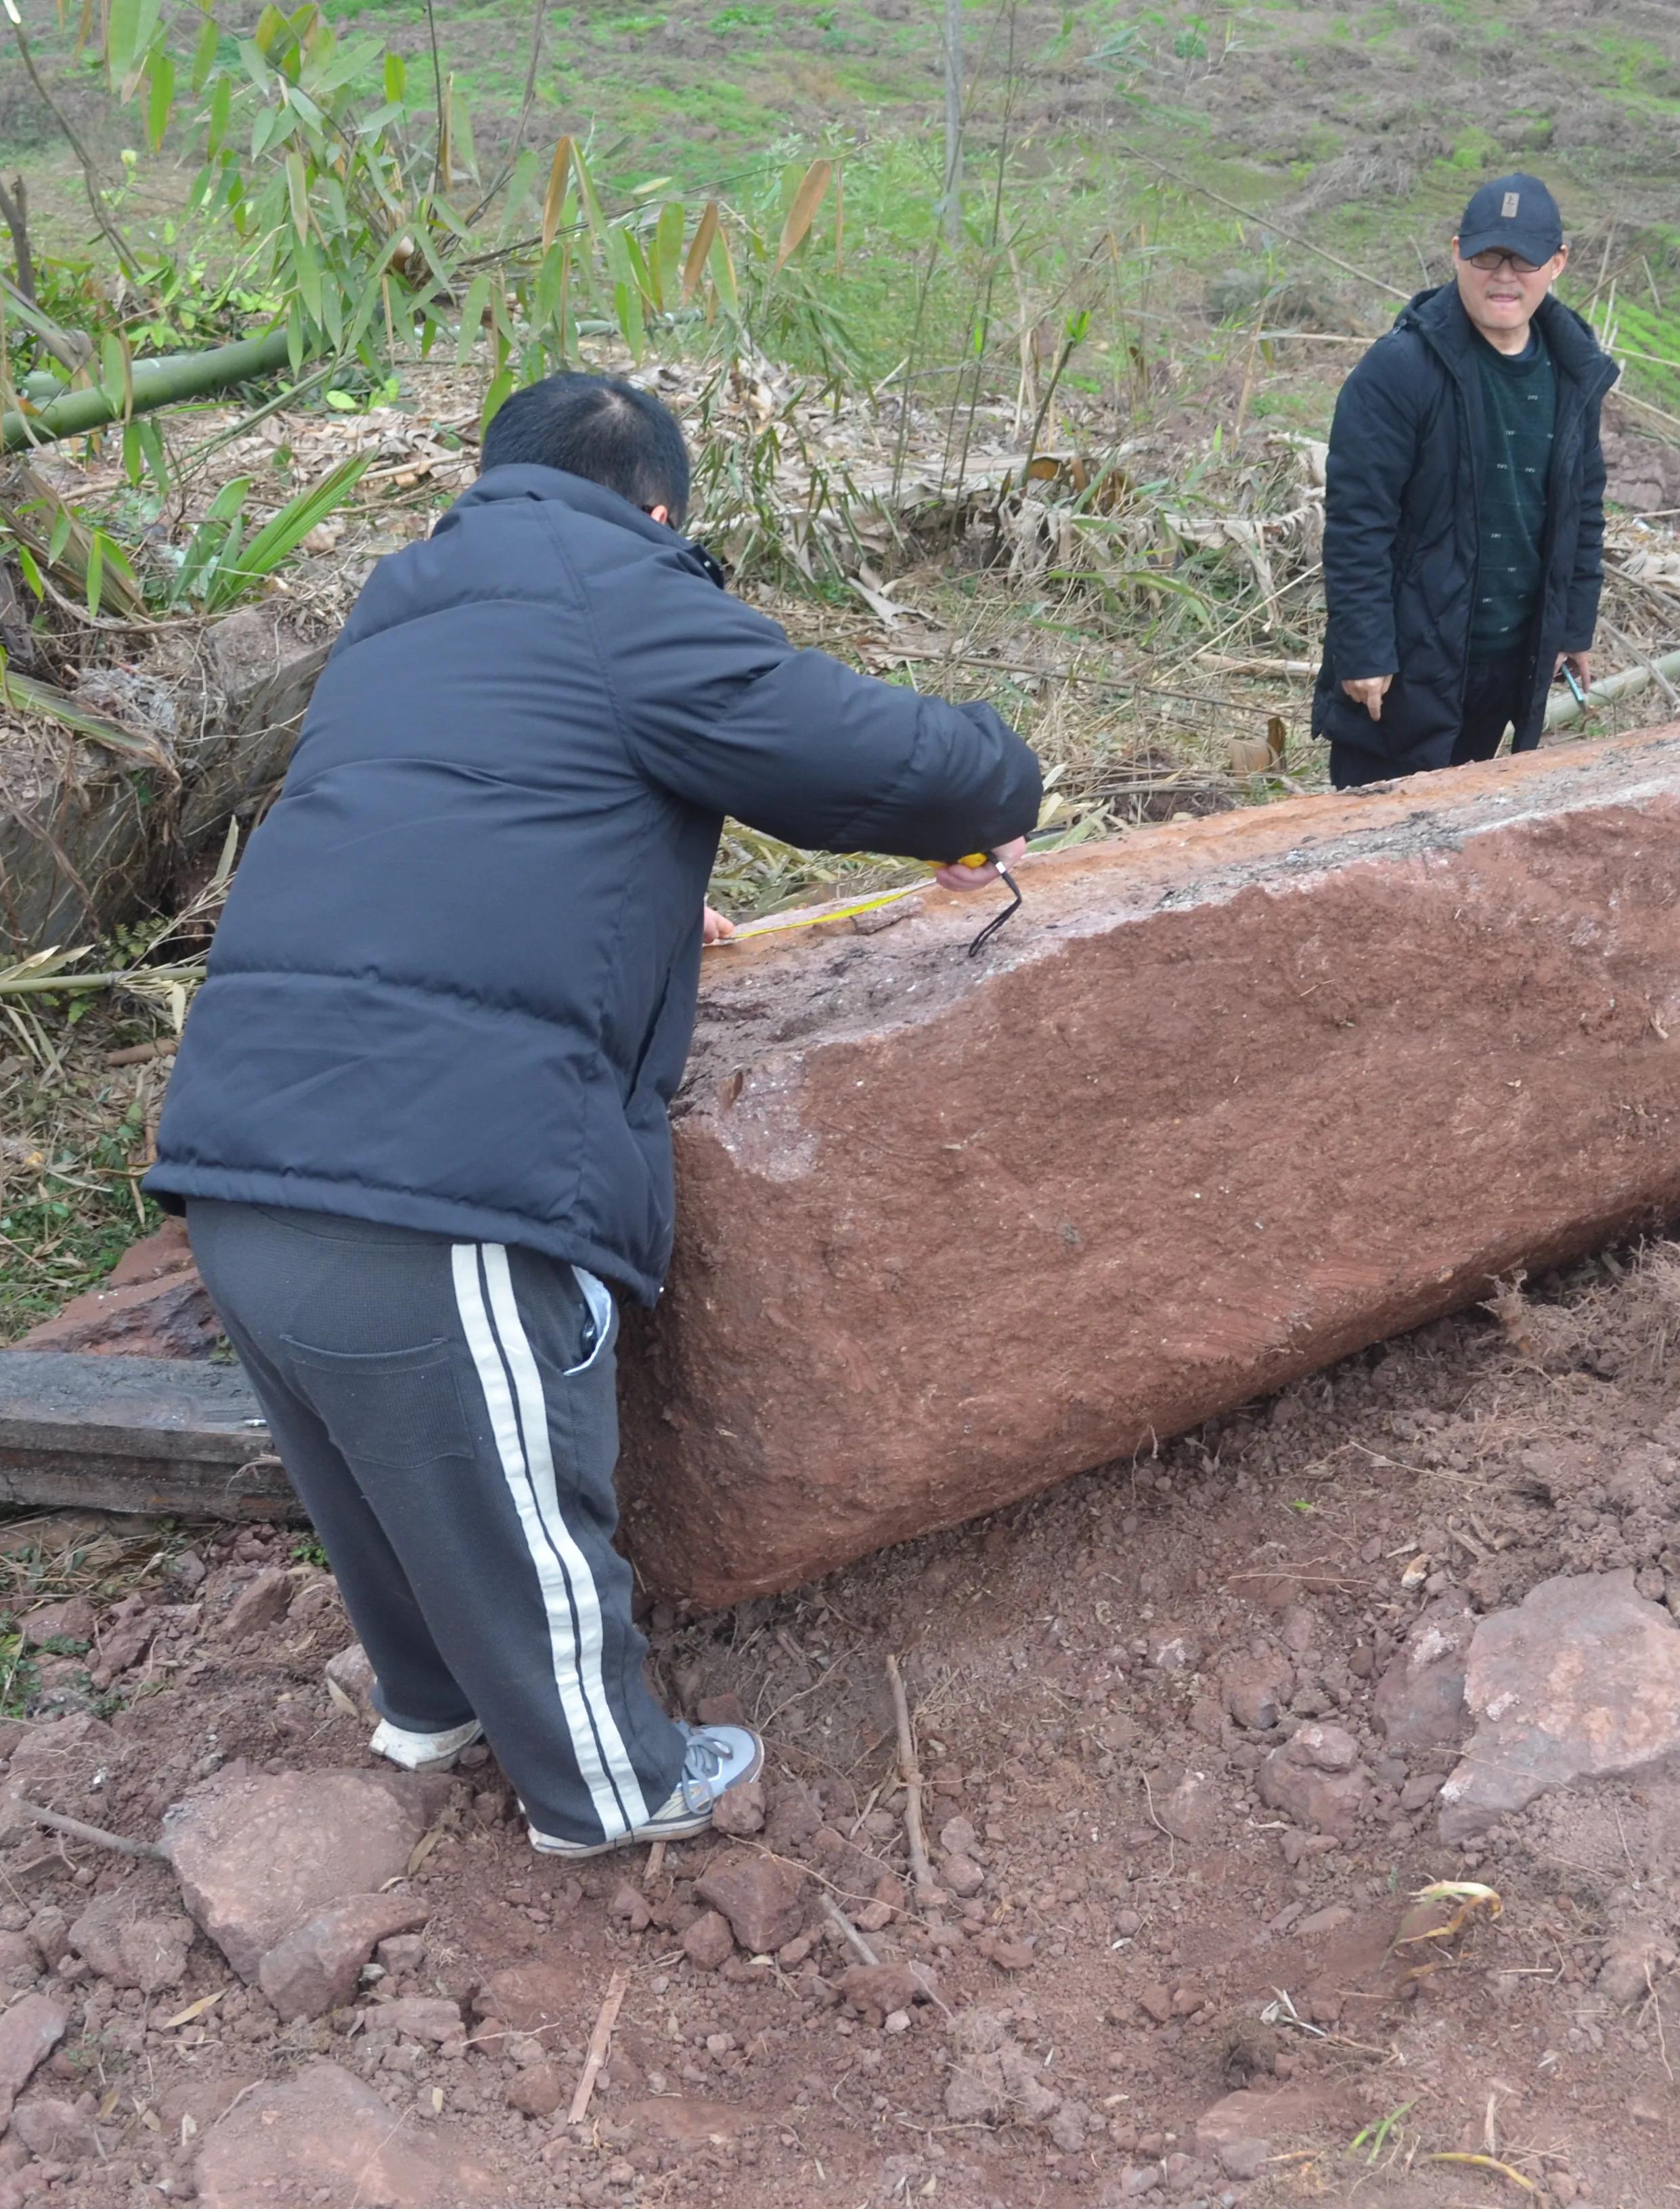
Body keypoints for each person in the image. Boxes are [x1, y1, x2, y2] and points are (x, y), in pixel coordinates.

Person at [144, 373, 1041, 1857]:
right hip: (433, 1185)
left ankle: (430, 1705)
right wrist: (995, 780)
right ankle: (610, 1788)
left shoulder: (405, 613)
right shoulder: (619, 585)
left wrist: (633, 919)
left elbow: (467, 831)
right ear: (661, 507)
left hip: (240, 1162)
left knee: (386, 1486)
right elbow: (855, 754)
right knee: (525, 1506)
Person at [1312, 173, 1619, 789]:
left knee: (1465, 826)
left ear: (1557, 263)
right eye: (1485, 257)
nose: (1502, 276)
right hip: (1408, 665)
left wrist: (1571, 626)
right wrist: (1365, 651)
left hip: (1509, 661)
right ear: (1457, 252)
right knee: (1373, 840)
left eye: (1523, 259)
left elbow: (1581, 509)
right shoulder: (1399, 371)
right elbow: (1359, 522)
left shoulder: (1571, 370)